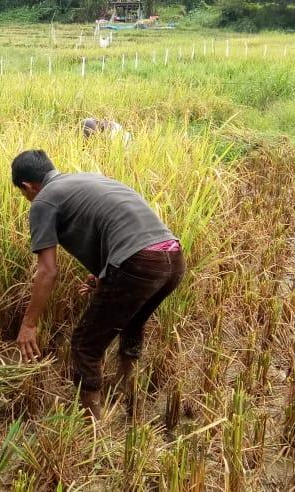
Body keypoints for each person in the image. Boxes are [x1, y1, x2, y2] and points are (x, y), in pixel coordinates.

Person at [11, 149, 184, 417]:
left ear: (27, 186)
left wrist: (29, 324)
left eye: (24, 195)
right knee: (132, 324)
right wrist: (104, 274)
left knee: (84, 344)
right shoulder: (88, 180)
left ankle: (92, 424)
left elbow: (47, 272)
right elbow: (121, 226)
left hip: (138, 262)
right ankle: (128, 389)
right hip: (172, 258)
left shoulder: (43, 201)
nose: (28, 199)